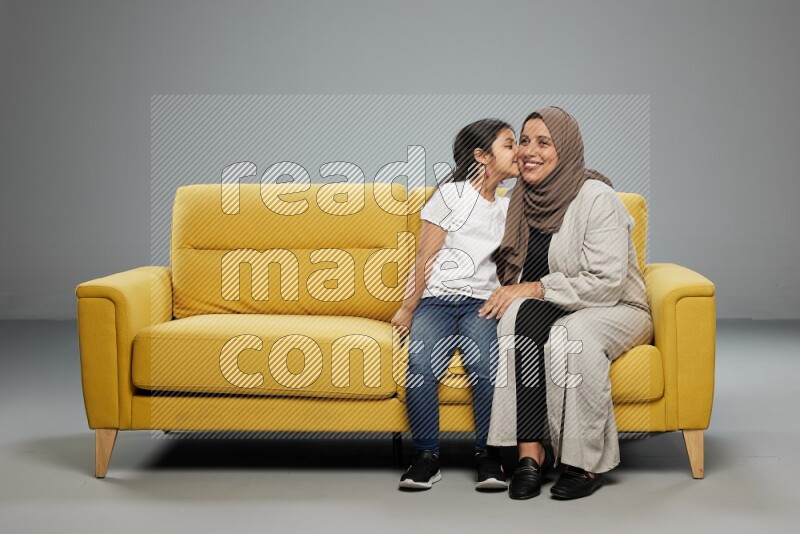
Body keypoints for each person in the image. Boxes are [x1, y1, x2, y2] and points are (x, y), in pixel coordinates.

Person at [480, 107, 653, 500]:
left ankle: (583, 462)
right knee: (514, 320)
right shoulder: (520, 199)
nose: (529, 150)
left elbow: (607, 283)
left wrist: (535, 288)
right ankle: (529, 453)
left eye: (544, 142)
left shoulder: (597, 199)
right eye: (524, 141)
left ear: (568, 149)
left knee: (571, 335)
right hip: (565, 300)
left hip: (616, 307)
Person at [392, 119, 518, 490]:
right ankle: (426, 456)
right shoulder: (451, 196)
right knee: (420, 364)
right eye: (509, 145)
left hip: (483, 303)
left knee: (485, 365)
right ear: (482, 155)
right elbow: (424, 258)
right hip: (438, 301)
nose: (519, 152)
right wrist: (408, 307)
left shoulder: (511, 208)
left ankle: (487, 457)